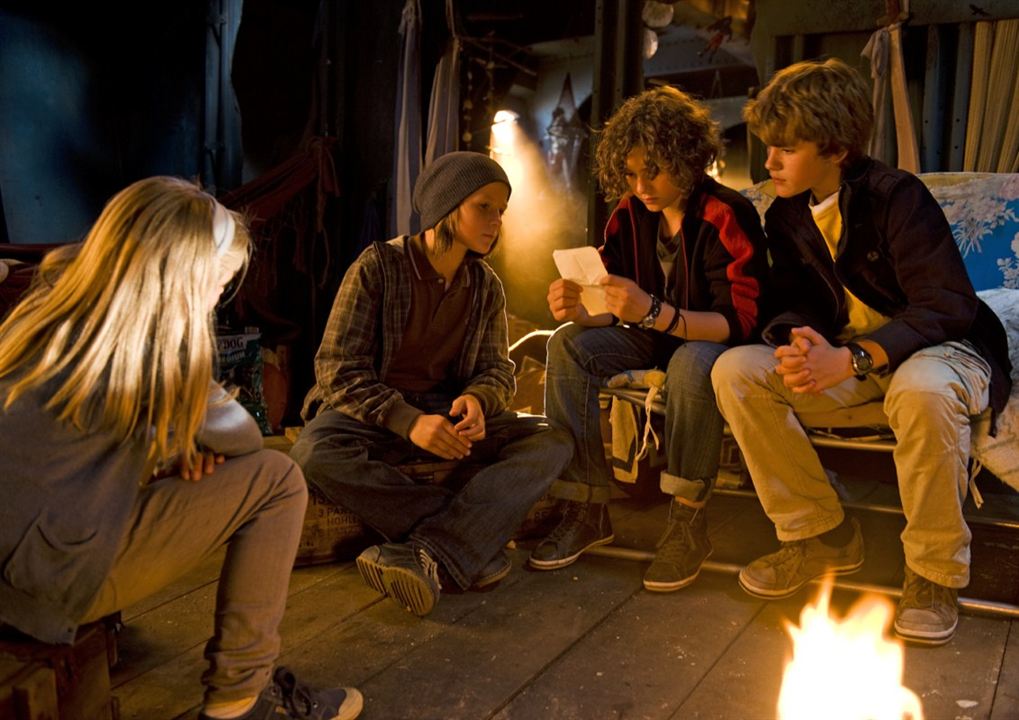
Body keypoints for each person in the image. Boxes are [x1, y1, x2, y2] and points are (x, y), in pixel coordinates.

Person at [0, 177, 363, 720]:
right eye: (217, 281)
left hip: (15, 562)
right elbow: (243, 436)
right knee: (277, 480)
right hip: (37, 588)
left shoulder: (51, 312)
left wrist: (171, 447)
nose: (219, 296)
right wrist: (190, 429)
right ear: (183, 275)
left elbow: (77, 453)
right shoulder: (150, 346)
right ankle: (237, 702)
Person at [711, 58, 1012, 645]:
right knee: (736, 370)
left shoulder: (897, 197)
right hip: (854, 356)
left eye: (786, 149)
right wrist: (798, 341)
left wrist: (852, 359)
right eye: (768, 147)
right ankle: (820, 536)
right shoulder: (789, 212)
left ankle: (933, 572)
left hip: (942, 349)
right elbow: (791, 299)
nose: (768, 162)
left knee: (922, 389)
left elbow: (945, 305)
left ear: (836, 147)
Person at [290, 151, 573, 617]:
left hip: (448, 416)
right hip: (374, 417)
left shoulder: (485, 286)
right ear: (448, 204)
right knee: (313, 452)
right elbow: (337, 368)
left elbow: (497, 369)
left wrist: (479, 400)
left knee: (552, 439)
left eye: (501, 211)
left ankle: (428, 549)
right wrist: (407, 421)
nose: (496, 221)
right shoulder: (378, 267)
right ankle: (464, 544)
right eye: (484, 206)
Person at [529, 86, 768, 592]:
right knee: (565, 344)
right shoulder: (630, 214)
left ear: (686, 156)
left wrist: (655, 312)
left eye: (653, 170)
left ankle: (687, 522)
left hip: (714, 343)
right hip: (651, 333)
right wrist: (582, 311)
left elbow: (741, 319)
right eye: (632, 173)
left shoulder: (726, 213)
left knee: (690, 362)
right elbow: (613, 306)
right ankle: (587, 507)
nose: (641, 185)